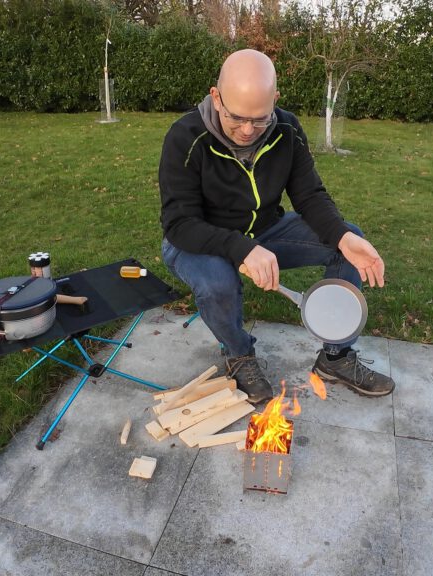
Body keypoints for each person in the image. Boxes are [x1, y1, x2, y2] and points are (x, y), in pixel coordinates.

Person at [158, 49, 394, 404]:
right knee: (217, 282)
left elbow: (310, 195)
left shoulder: (286, 129)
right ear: (216, 97)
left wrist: (342, 236)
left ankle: (336, 357)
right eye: (236, 118)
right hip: (196, 239)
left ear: (276, 101)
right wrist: (241, 250)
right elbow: (179, 222)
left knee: (349, 243)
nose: (248, 130)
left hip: (265, 231)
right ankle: (239, 356)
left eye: (260, 118)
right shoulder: (185, 137)